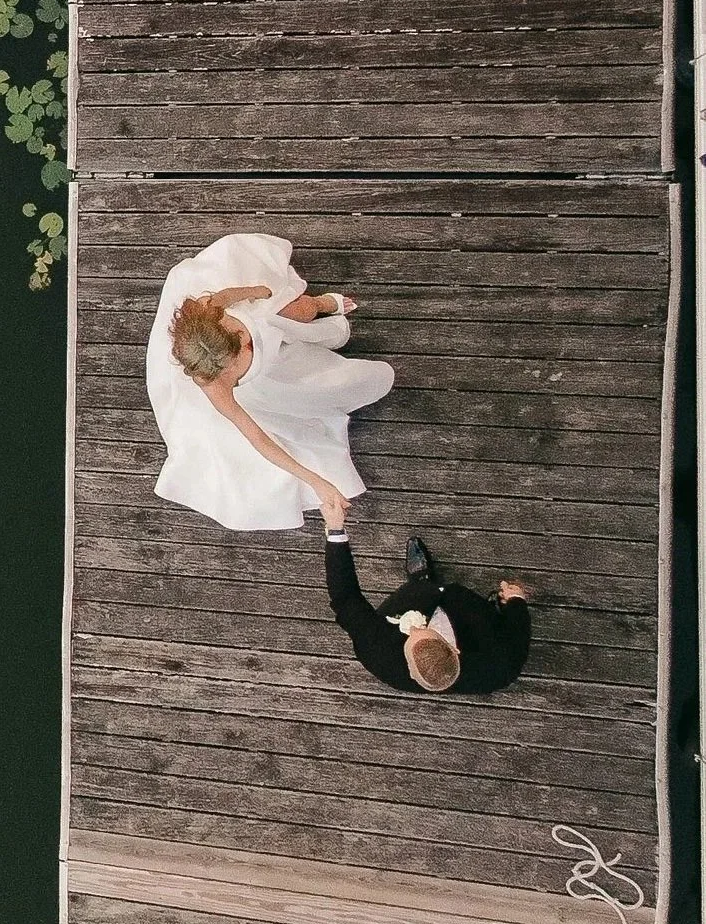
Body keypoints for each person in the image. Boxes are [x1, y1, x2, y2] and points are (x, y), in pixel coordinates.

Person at [144, 231, 394, 532]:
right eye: (233, 362)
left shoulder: (207, 308)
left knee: (299, 310)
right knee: (324, 381)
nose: (243, 350)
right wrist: (317, 481)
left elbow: (227, 296)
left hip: (261, 319)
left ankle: (324, 304)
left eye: (238, 342)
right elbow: (258, 439)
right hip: (268, 376)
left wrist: (255, 291)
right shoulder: (214, 385)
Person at [322, 508, 532, 693]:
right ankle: (482, 604)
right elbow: (517, 633)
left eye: (412, 635)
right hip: (469, 623)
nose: (414, 629)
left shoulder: (377, 653)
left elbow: (345, 598)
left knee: (417, 592)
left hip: (413, 601)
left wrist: (335, 531)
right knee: (489, 621)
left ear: (410, 672)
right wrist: (516, 601)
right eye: (423, 631)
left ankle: (422, 580)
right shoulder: (499, 670)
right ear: (454, 650)